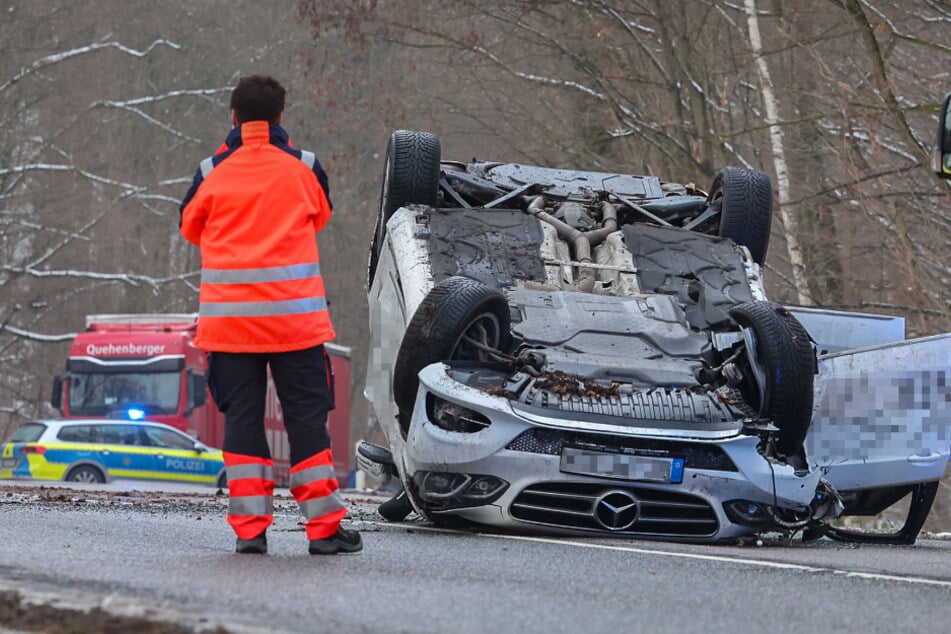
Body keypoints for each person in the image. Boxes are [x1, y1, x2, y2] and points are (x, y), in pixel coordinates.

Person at [179, 75, 361, 555]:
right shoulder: (304, 167)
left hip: (231, 326)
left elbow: (190, 229)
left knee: (242, 420)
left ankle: (250, 532)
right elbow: (320, 216)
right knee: (305, 420)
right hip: (294, 323)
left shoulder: (211, 170)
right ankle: (323, 531)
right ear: (281, 117)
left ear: (233, 117)